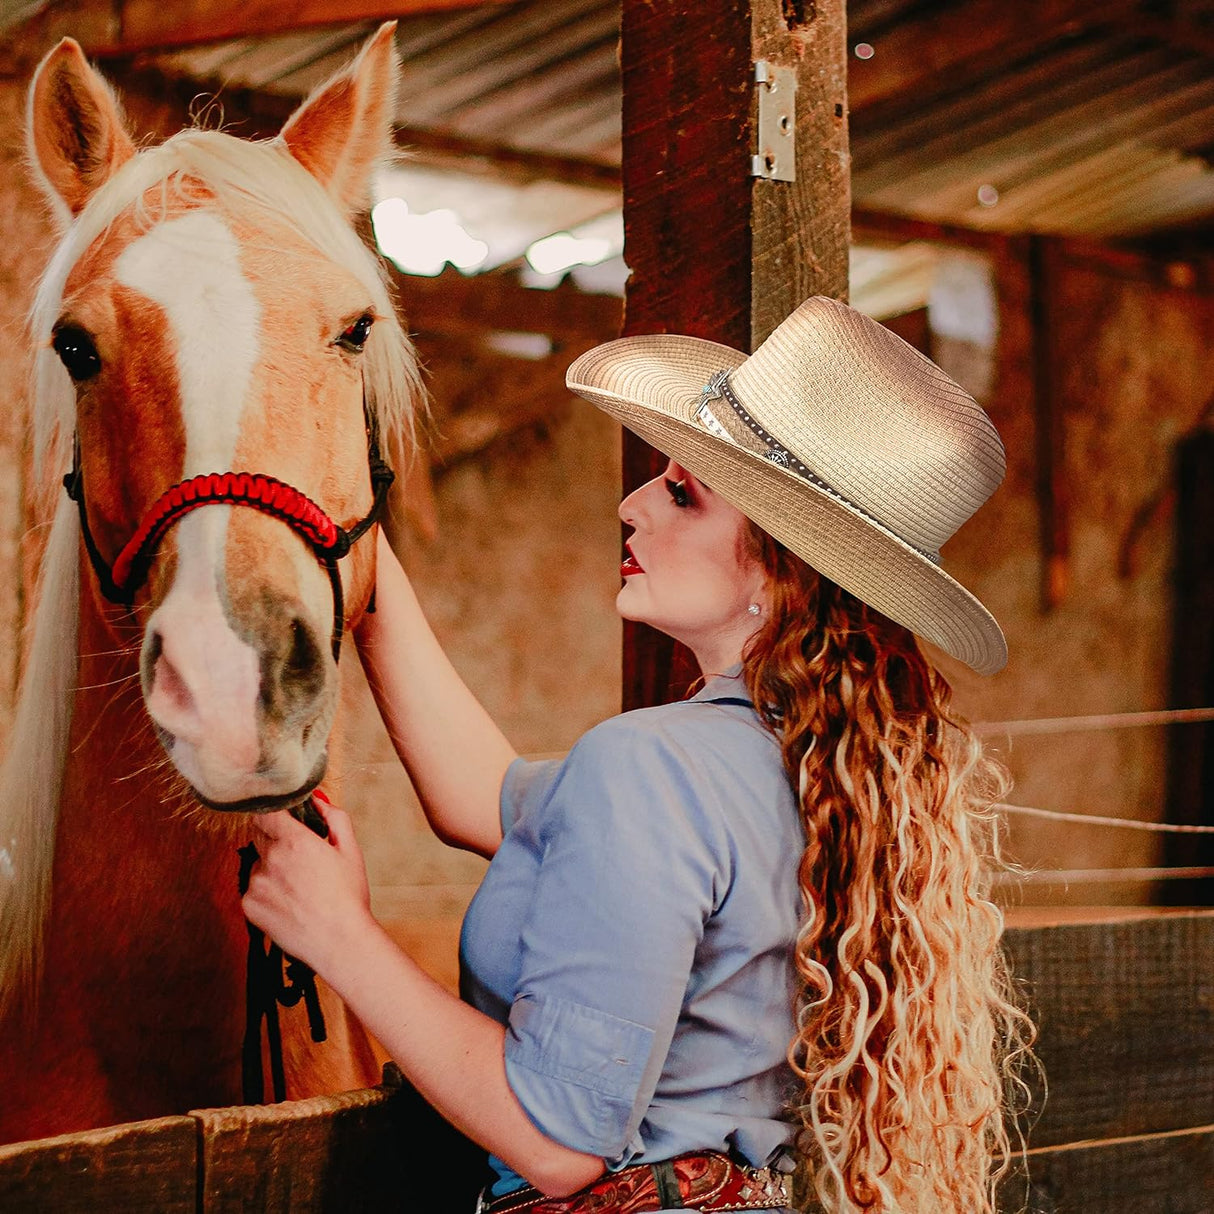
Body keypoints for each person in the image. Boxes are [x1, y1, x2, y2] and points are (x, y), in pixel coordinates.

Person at [242, 295, 1033, 1214]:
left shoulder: (653, 765)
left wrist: (338, 935)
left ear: (781, 573)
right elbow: (483, 800)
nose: (632, 504)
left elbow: (557, 1145)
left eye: (682, 492)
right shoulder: (804, 768)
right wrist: (355, 547)